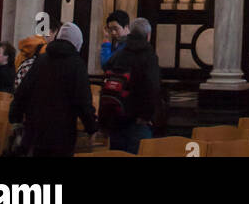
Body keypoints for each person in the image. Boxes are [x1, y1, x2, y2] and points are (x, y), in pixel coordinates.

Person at [9, 22, 96, 157]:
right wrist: (91, 128)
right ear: (77, 43)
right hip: (62, 133)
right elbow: (83, 101)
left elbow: (23, 91)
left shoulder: (41, 60)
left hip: (35, 130)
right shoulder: (76, 65)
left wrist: (15, 117)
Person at [102, 17, 161, 155]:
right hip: (138, 120)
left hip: (116, 117)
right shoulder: (148, 56)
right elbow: (152, 87)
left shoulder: (118, 55)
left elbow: (106, 80)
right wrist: (147, 116)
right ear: (148, 36)